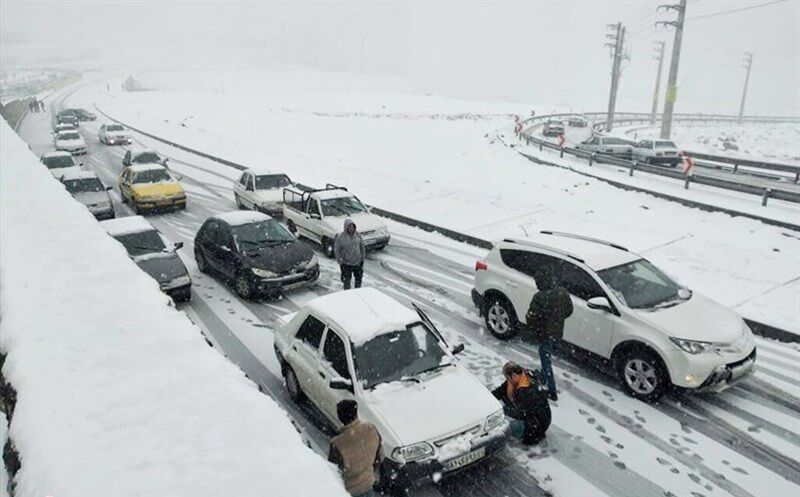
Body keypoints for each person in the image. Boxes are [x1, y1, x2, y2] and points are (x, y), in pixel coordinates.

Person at [526, 266, 573, 401]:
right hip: (557, 332)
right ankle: (543, 376)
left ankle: (551, 391)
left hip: (544, 334)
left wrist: (535, 325)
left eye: (537, 282)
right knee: (547, 353)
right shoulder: (562, 292)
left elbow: (531, 317)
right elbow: (569, 310)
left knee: (545, 359)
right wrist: (557, 318)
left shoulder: (539, 297)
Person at [328, 400, 384, 497]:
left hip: (349, 491)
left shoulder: (337, 443)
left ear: (340, 417)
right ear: (356, 413)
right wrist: (368, 471)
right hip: (367, 485)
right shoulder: (371, 429)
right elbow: (381, 455)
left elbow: (333, 472)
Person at [492, 362, 551, 444]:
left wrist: (500, 410)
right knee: (505, 398)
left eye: (507, 378)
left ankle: (533, 436)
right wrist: (488, 398)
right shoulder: (518, 376)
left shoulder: (527, 389)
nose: (507, 380)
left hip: (538, 423)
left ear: (513, 375)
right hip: (529, 413)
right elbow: (500, 391)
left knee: (504, 428)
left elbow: (520, 412)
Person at [334, 218, 365, 290]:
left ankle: (357, 293)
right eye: (349, 227)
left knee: (358, 281)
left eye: (353, 227)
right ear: (346, 227)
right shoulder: (340, 237)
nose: (351, 229)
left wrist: (362, 259)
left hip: (357, 263)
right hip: (346, 265)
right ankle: (347, 296)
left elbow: (362, 247)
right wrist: (340, 262)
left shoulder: (358, 235)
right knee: (346, 282)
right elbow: (337, 250)